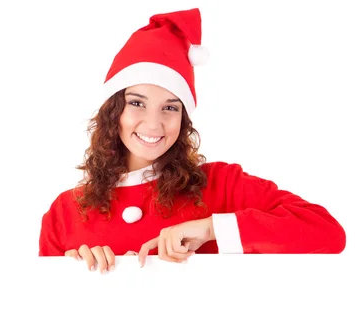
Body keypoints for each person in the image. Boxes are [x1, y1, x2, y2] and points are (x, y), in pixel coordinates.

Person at [39, 8, 346, 272]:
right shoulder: (64, 212)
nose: (153, 123)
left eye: (170, 107)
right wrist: (74, 277)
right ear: (113, 110)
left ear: (183, 118)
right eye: (136, 103)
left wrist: (212, 228)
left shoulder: (221, 185)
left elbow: (327, 233)